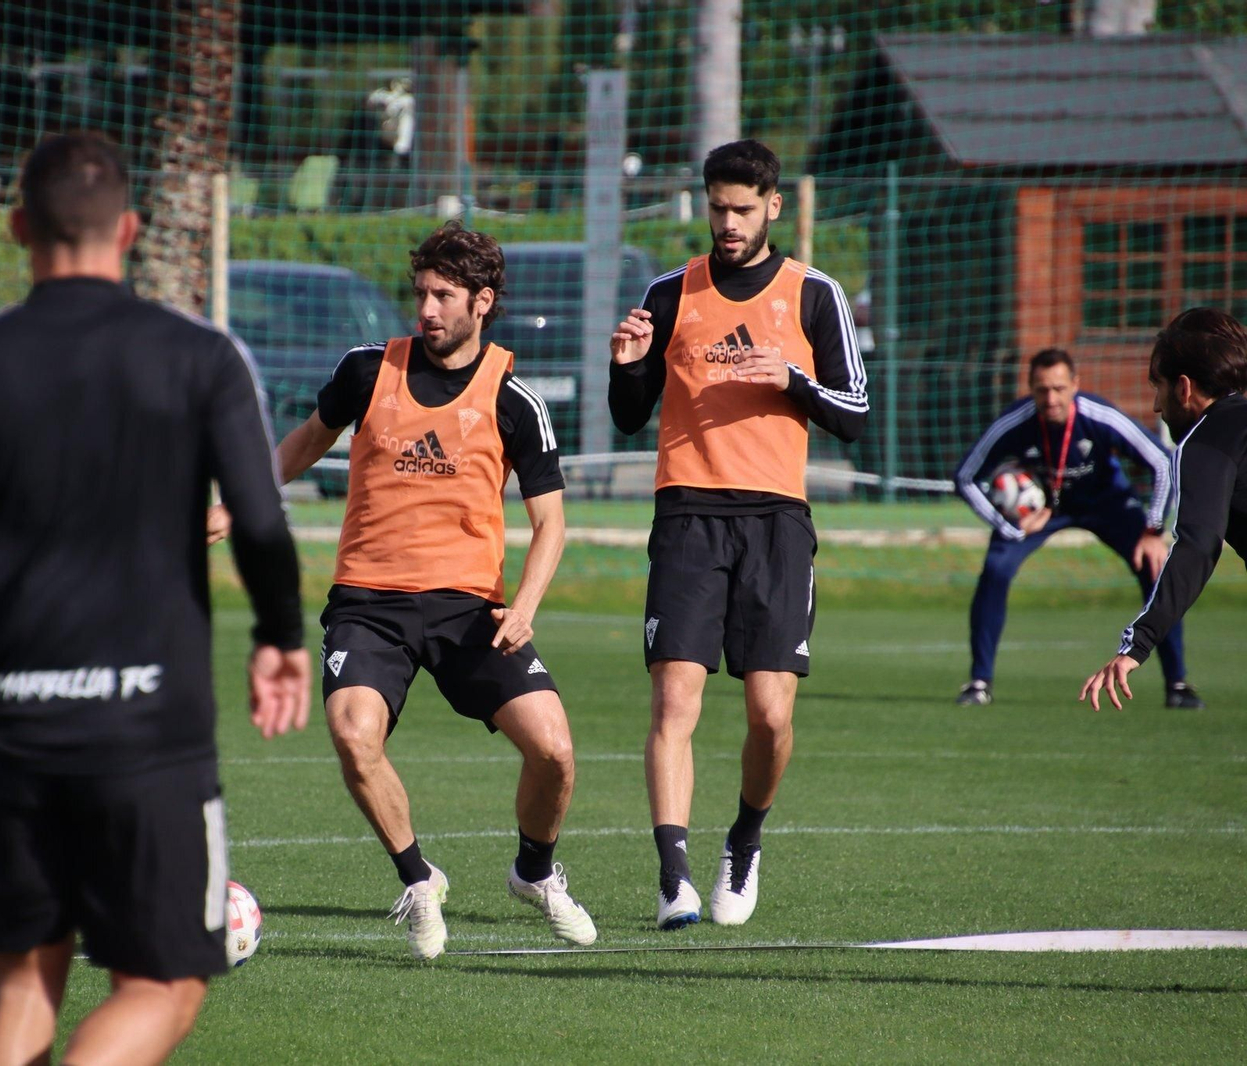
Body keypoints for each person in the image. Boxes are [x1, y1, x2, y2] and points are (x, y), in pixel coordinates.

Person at [0, 133, 309, 1066]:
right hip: (153, 738)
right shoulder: (200, 358)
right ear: (130, 230)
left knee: (22, 989)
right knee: (164, 987)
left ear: (19, 227)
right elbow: (259, 522)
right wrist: (280, 638)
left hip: (17, 736)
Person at [211, 221, 596, 960]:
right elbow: (305, 440)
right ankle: (419, 881)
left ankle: (535, 875)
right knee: (354, 736)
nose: (425, 308)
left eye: (443, 295)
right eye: (420, 292)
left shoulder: (514, 400)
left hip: (468, 609)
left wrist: (525, 606)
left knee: (554, 750)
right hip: (369, 602)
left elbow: (550, 523)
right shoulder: (367, 371)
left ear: (481, 302)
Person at [608, 139, 868, 929]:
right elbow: (628, 417)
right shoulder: (668, 291)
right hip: (686, 515)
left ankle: (744, 842)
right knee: (673, 701)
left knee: (770, 715)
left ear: (773, 208)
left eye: (742, 210)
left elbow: (858, 415)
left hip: (776, 525)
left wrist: (792, 380)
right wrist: (626, 366)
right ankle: (674, 877)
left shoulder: (814, 294)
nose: (727, 223)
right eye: (716, 207)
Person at [954, 348, 1201, 709]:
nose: (1050, 398)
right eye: (1041, 390)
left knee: (1156, 568)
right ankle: (979, 682)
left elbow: (1162, 463)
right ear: (1030, 389)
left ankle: (1177, 684)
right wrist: (1008, 525)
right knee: (995, 568)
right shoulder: (1016, 422)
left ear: (1075, 385)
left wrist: (1153, 530)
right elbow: (964, 476)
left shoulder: (1099, 416)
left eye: (1058, 388)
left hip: (1107, 504)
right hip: (1044, 510)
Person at [1082, 308, 1247, 710]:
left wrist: (1137, 644)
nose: (1156, 406)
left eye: (1157, 387)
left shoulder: (1206, 439)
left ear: (1184, 388)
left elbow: (1198, 543)